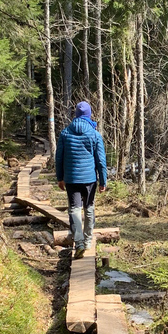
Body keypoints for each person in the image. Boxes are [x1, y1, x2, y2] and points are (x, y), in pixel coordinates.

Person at [55, 101, 107, 259]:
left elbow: (59, 158)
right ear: (89, 115)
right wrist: (103, 181)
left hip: (71, 179)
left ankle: (78, 243)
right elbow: (101, 161)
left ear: (76, 115)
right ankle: (88, 240)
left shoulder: (65, 133)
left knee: (75, 209)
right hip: (89, 179)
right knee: (89, 208)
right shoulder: (94, 134)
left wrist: (60, 178)